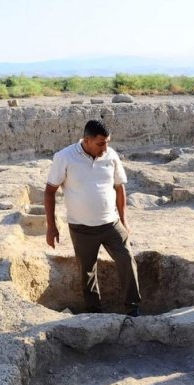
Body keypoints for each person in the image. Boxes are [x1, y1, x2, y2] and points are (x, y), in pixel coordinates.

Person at [44, 119, 141, 316]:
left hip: (111, 223)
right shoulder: (65, 157)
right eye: (100, 143)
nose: (105, 148)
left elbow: (119, 187)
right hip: (81, 228)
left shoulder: (110, 155)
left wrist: (124, 219)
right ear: (86, 140)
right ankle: (94, 313)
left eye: (107, 142)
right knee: (87, 271)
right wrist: (51, 226)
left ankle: (132, 309)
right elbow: (49, 191)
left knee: (127, 259)